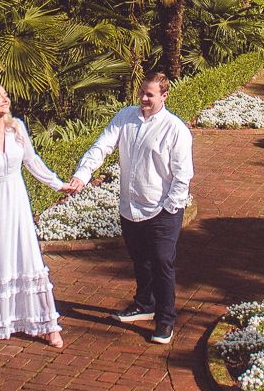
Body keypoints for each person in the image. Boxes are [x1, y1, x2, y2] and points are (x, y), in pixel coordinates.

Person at [65, 71, 193, 345]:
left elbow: (183, 174)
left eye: (150, 95)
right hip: (130, 207)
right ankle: (144, 304)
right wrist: (82, 175)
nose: (143, 98)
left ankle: (165, 320)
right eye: (142, 92)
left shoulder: (175, 129)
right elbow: (101, 147)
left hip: (162, 210)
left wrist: (169, 208)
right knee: (140, 259)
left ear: (164, 96)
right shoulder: (125, 117)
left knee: (162, 262)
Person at [0, 81, 66, 347]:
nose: (5, 99)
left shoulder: (17, 128)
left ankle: (48, 325)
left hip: (17, 203)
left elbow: (31, 161)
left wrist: (57, 184)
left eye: (5, 95)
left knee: (27, 258)